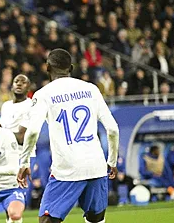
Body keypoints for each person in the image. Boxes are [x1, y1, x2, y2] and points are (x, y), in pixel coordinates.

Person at [17, 49, 119, 223]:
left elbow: (33, 131)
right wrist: (112, 161)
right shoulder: (91, 89)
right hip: (96, 165)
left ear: (47, 68)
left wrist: (24, 161)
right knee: (96, 219)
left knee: (47, 221)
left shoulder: (43, 94)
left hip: (67, 169)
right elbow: (113, 129)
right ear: (71, 68)